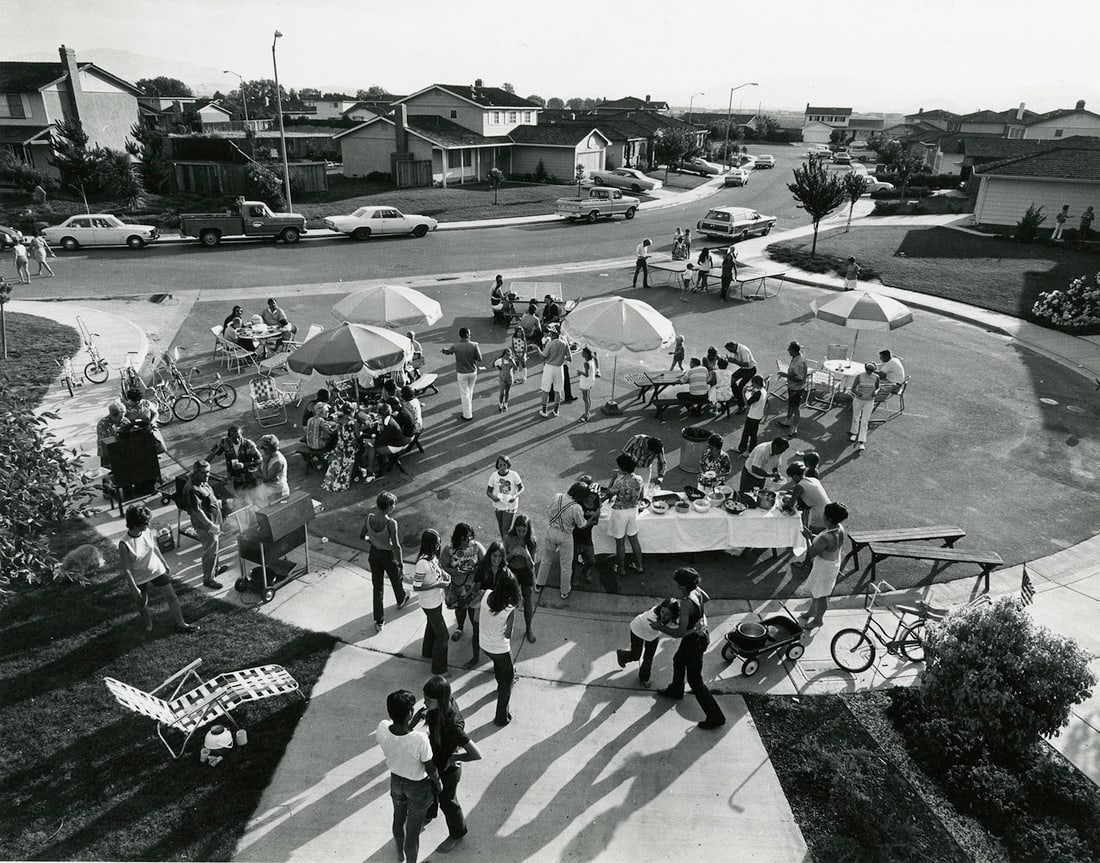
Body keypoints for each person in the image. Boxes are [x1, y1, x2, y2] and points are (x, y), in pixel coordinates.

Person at [410, 676, 481, 854]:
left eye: (428, 700)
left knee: (448, 802)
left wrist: (453, 758)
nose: (424, 703)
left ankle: (457, 833)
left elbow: (476, 754)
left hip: (448, 771)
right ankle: (429, 813)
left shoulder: (452, 726)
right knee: (431, 788)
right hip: (436, 762)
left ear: (441, 701)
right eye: (424, 698)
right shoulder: (443, 705)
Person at [655, 568, 726, 730]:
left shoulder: (686, 603)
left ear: (681, 585)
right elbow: (706, 599)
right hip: (699, 636)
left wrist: (660, 627)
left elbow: (679, 633)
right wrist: (700, 620)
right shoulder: (697, 591)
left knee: (695, 681)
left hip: (694, 641)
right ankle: (676, 689)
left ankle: (716, 717)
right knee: (678, 659)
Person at [376, 690, 441, 863]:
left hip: (396, 782)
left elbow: (400, 735)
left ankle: (399, 854)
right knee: (413, 832)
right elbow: (430, 768)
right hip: (417, 787)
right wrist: (438, 782)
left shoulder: (382, 727)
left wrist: (411, 722)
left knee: (398, 820)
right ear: (410, 712)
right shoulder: (420, 739)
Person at [118, 504, 199, 634]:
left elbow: (154, 547)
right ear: (136, 523)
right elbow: (126, 569)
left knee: (172, 596)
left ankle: (181, 623)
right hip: (139, 577)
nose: (149, 524)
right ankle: (148, 625)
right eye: (145, 522)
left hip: (156, 570)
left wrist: (164, 563)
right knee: (142, 603)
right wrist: (134, 588)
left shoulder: (148, 532)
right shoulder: (124, 544)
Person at [793, 502, 849, 628]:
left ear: (828, 518)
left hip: (825, 567)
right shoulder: (839, 528)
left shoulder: (827, 537)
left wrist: (807, 538)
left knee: (822, 595)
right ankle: (812, 611)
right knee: (817, 590)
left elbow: (812, 552)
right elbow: (826, 544)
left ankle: (818, 620)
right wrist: (812, 536)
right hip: (829, 563)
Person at [362, 492, 409, 631]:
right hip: (388, 555)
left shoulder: (369, 518)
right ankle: (401, 599)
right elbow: (396, 546)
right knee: (396, 578)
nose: (394, 506)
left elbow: (362, 535)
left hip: (374, 554)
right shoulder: (391, 523)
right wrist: (401, 563)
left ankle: (379, 620)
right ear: (388, 506)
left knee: (377, 587)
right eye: (393, 504)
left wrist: (372, 540)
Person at [535, 482, 589, 600]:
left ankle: (539, 584)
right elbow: (582, 525)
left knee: (546, 559)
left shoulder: (557, 496)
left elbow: (548, 511)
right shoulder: (576, 507)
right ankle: (564, 590)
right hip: (565, 535)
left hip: (551, 530)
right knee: (566, 565)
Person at [440, 523, 486, 660]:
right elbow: (442, 567)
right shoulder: (449, 550)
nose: (468, 541)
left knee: (472, 609)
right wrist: (455, 571)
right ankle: (459, 628)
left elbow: (484, 563)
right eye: (465, 538)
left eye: (470, 537)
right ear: (458, 538)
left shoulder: (477, 547)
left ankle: (476, 632)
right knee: (459, 609)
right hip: (455, 586)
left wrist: (476, 571)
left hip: (471, 587)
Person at [480, 572, 519, 727]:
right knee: (509, 679)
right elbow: (508, 634)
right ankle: (501, 717)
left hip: (484, 644)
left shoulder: (486, 595)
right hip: (500, 647)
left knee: (498, 664)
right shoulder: (509, 608)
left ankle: (499, 684)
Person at [182, 460, 229, 589]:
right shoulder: (191, 488)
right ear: (196, 472)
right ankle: (208, 579)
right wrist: (210, 525)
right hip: (205, 525)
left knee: (215, 548)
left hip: (214, 520)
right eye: (203, 473)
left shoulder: (202, 481)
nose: (207, 475)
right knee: (210, 551)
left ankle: (215, 569)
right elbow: (196, 511)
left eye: (208, 472)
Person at [616, 599, 679, 687]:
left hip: (652, 635)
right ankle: (622, 655)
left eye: (667, 614)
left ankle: (644, 679)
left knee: (648, 658)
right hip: (638, 630)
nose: (663, 615)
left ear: (673, 614)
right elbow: (668, 629)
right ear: (660, 608)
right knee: (636, 655)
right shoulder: (652, 618)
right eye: (662, 611)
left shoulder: (672, 618)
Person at [413, 529, 450, 674]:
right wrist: (438, 585)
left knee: (431, 626)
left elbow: (437, 569)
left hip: (436, 601)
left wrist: (444, 574)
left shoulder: (432, 557)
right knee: (443, 636)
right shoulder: (422, 563)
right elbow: (416, 586)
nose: (439, 545)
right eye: (437, 542)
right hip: (430, 603)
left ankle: (427, 651)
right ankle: (439, 669)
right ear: (431, 544)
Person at [504, 514, 539, 643]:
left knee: (528, 601)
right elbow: (503, 561)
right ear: (515, 528)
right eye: (519, 530)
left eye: (524, 531)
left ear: (528, 530)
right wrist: (511, 554)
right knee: (508, 601)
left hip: (526, 572)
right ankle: (506, 628)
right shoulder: (508, 538)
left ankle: (528, 629)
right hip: (512, 571)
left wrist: (527, 555)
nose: (521, 533)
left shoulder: (532, 541)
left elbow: (532, 565)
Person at [608, 453, 644, 576]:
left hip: (619, 512)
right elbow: (642, 497)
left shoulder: (620, 481)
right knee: (634, 539)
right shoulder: (639, 479)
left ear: (623, 468)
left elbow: (608, 493)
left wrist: (613, 478)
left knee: (620, 542)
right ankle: (639, 566)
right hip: (633, 510)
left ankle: (621, 568)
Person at [442, 327, 482, 422]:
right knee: (470, 391)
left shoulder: (456, 346)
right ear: (467, 334)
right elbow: (479, 358)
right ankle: (468, 410)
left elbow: (448, 352)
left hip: (461, 372)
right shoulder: (474, 345)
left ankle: (467, 414)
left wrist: (444, 350)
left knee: (464, 393)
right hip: (472, 371)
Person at [782, 460, 831, 534]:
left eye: (792, 477)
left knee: (813, 538)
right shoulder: (813, 479)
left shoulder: (799, 486)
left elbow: (791, 504)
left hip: (820, 516)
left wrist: (785, 499)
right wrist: (794, 492)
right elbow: (809, 492)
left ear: (795, 476)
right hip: (830, 512)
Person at [207, 425, 261, 491]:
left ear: (241, 435)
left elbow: (259, 460)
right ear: (229, 437)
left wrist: (244, 465)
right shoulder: (225, 443)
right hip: (236, 478)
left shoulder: (249, 444)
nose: (237, 440)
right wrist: (204, 464)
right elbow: (214, 453)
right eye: (233, 438)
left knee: (255, 497)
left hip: (250, 476)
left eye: (238, 437)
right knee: (240, 498)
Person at [321, 404, 360, 491]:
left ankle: (332, 479)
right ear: (352, 412)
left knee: (338, 463)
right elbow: (357, 436)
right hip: (350, 448)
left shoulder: (339, 421)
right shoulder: (354, 422)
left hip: (340, 446)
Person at [572, 475, 600, 588]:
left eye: (594, 496)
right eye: (590, 495)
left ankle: (584, 571)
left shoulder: (597, 505)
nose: (591, 497)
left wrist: (592, 516)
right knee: (572, 560)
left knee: (592, 560)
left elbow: (596, 522)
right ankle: (572, 579)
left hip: (587, 536)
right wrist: (589, 516)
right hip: (574, 535)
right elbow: (577, 523)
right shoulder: (579, 503)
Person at [486, 454, 524, 539]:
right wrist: (493, 497)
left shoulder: (514, 475)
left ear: (508, 465)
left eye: (504, 465)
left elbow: (521, 488)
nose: (502, 467)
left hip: (510, 506)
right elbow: (488, 491)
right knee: (501, 528)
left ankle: (506, 547)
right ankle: (505, 544)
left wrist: (515, 496)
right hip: (498, 505)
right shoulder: (494, 476)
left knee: (505, 529)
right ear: (497, 466)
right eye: (500, 465)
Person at [538, 326, 571, 418]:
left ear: (553, 335)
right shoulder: (564, 343)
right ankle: (556, 411)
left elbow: (543, 357)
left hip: (549, 367)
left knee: (545, 389)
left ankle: (544, 410)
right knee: (558, 389)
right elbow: (569, 358)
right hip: (559, 368)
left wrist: (537, 349)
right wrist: (561, 357)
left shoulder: (550, 344)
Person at [849, 362, 880, 452]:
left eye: (871, 370)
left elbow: (878, 387)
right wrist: (857, 393)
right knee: (856, 417)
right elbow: (853, 388)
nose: (869, 371)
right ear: (865, 368)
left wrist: (876, 392)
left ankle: (861, 441)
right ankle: (854, 433)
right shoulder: (859, 376)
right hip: (858, 400)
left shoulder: (876, 377)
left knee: (864, 421)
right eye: (867, 369)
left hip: (869, 401)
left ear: (874, 370)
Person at [778, 341, 807, 436]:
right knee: (791, 405)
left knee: (796, 408)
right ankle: (787, 421)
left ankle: (794, 428)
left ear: (794, 351)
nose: (788, 351)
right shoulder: (796, 357)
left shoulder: (799, 362)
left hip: (797, 389)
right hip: (792, 387)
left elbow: (800, 378)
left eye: (789, 350)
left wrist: (786, 375)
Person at [737, 375, 768, 455]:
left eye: (753, 383)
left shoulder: (757, 393)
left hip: (752, 416)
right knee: (753, 434)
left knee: (746, 433)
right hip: (759, 415)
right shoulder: (763, 391)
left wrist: (743, 393)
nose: (752, 385)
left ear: (757, 383)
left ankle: (742, 448)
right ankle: (751, 450)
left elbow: (747, 403)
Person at [723, 341, 757, 413]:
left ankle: (742, 406)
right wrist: (732, 360)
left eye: (730, 350)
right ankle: (738, 397)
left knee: (741, 386)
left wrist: (734, 361)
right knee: (731, 380)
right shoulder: (736, 351)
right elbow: (740, 363)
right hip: (744, 369)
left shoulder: (743, 350)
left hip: (750, 370)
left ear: (733, 346)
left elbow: (746, 364)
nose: (730, 352)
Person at [257, 434, 289, 504]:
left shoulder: (278, 462)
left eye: (263, 447)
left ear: (269, 448)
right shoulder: (267, 456)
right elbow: (257, 471)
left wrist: (265, 463)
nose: (261, 449)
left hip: (278, 493)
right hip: (268, 491)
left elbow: (265, 479)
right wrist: (264, 476)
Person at [96, 401, 126, 471]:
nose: (122, 418)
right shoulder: (103, 424)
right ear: (112, 415)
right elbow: (106, 441)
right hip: (107, 452)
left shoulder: (124, 421)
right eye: (120, 417)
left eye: (123, 416)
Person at [493, 347, 517, 412]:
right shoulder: (500, 360)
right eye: (507, 355)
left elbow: (516, 368)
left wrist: (512, 361)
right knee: (502, 392)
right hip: (502, 379)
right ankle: (500, 403)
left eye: (510, 355)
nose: (508, 356)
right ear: (504, 355)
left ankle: (506, 403)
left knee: (507, 392)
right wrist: (499, 368)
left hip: (509, 378)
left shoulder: (512, 360)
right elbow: (494, 364)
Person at [577, 347, 596, 422]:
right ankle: (588, 412)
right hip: (590, 381)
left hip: (586, 382)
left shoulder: (586, 363)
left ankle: (586, 414)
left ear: (587, 354)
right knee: (588, 396)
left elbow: (586, 374)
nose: (582, 353)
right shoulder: (591, 361)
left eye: (583, 353)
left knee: (585, 398)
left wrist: (580, 372)